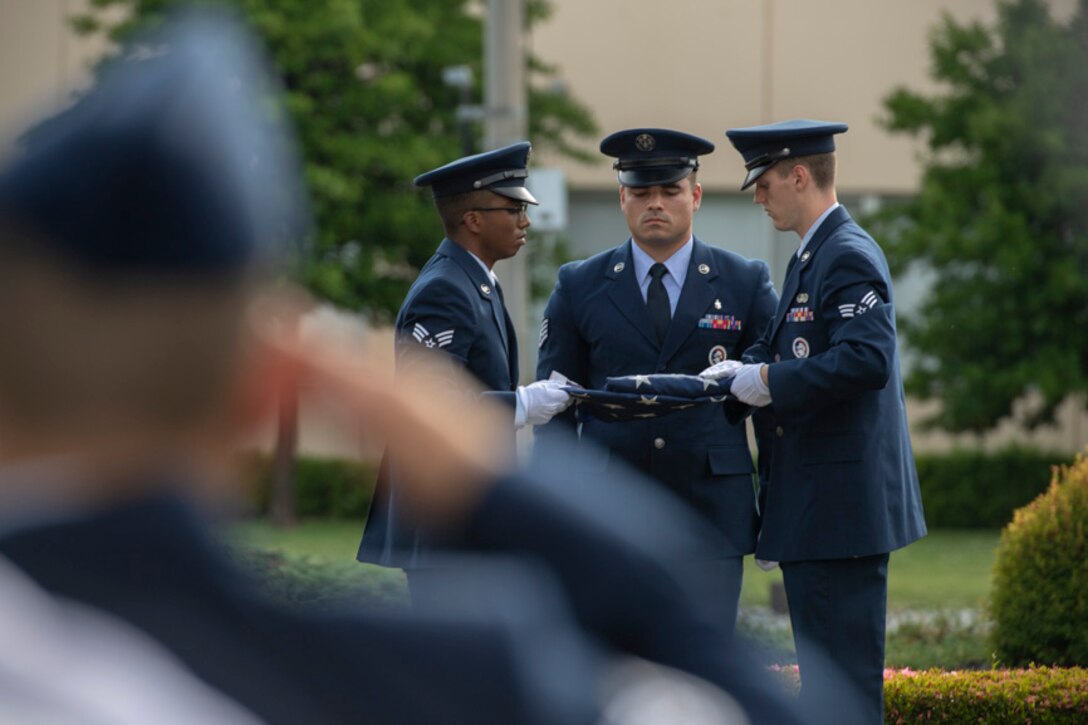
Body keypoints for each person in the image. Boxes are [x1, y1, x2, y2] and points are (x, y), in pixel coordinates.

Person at [0, 9, 806, 724]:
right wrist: (508, 483)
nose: (525, 222)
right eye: (511, 208)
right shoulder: (417, 675)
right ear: (264, 384)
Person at [710, 118, 928, 723]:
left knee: (844, 693)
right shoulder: (816, 253)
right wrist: (742, 372)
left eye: (764, 182)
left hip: (839, 516)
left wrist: (769, 382)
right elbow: (807, 349)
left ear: (798, 176)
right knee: (831, 689)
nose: (757, 196)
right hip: (823, 513)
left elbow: (866, 358)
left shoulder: (845, 254)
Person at [534, 128, 778, 636]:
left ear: (696, 195)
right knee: (616, 668)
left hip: (710, 512)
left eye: (669, 190)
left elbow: (775, 401)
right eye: (641, 192)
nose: (655, 204)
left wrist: (776, 511)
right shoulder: (579, 285)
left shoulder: (744, 281)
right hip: (608, 510)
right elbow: (554, 410)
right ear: (622, 197)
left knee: (706, 663)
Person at [357, 143, 572, 601]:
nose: (526, 221)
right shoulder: (446, 290)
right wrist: (523, 404)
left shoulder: (473, 282)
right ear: (473, 219)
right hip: (442, 520)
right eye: (513, 209)